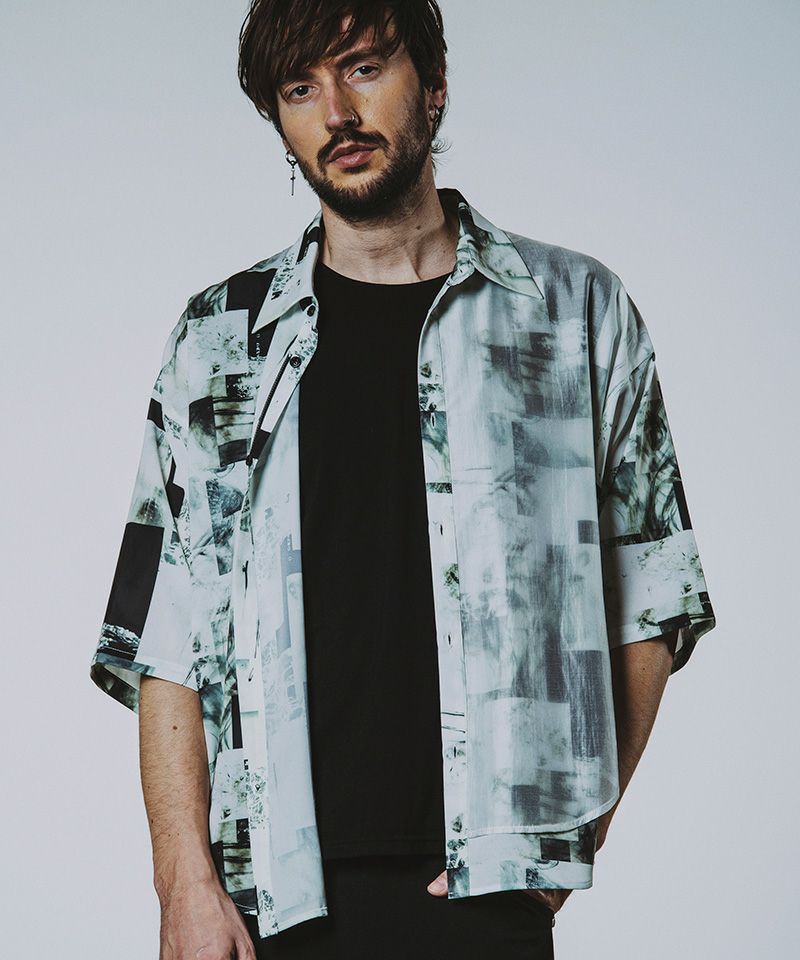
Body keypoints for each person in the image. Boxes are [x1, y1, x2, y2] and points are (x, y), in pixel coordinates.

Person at [89, 2, 717, 958]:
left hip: (487, 896)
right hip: (271, 901)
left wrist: (570, 836)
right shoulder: (221, 340)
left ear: (434, 84)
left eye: (364, 68)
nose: (337, 113)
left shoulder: (575, 313)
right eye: (301, 89)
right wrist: (183, 883)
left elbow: (652, 595)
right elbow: (166, 635)